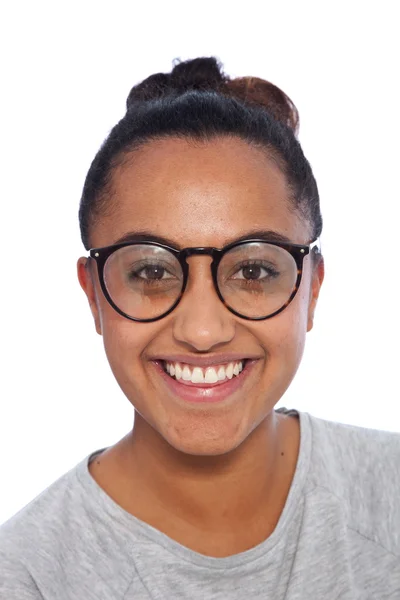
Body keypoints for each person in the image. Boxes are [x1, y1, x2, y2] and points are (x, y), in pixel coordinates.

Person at [1, 56, 399, 599]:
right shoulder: (25, 577)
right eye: (152, 271)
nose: (204, 330)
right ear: (93, 294)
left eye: (253, 270)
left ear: (312, 289)